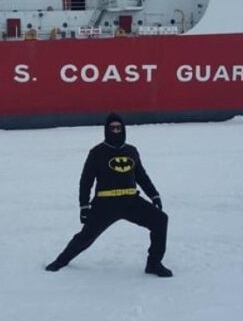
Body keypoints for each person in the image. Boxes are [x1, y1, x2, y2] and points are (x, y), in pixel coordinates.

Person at [46, 113, 172, 277]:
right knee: (85, 237)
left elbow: (141, 176)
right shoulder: (97, 152)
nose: (115, 131)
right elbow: (86, 181)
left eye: (118, 128)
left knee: (160, 220)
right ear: (106, 130)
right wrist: (84, 206)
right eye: (112, 128)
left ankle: (154, 264)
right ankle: (61, 261)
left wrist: (154, 195)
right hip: (105, 204)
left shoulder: (131, 151)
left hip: (131, 201)